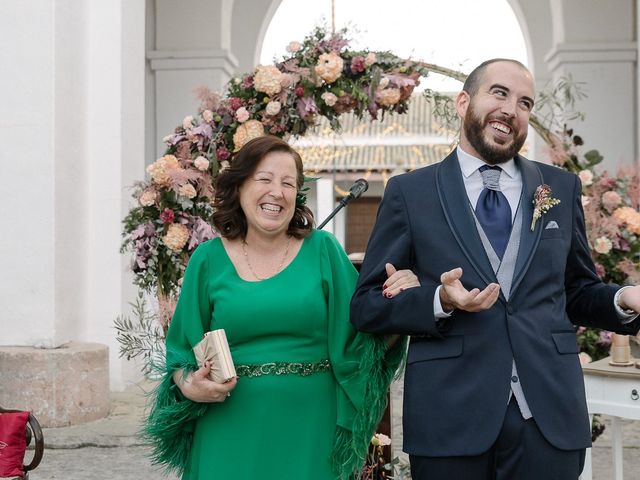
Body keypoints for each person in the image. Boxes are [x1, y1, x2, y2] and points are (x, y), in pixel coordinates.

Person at [350, 58, 640, 480]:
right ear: (463, 102)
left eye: (525, 103)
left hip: (548, 418)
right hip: (451, 416)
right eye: (499, 93)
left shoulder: (559, 187)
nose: (512, 109)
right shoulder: (410, 193)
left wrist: (623, 298)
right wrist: (439, 300)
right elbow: (367, 305)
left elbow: (576, 291)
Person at [143, 135, 406, 480]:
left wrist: (398, 307)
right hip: (226, 428)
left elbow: (363, 336)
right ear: (239, 187)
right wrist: (189, 383)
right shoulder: (207, 259)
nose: (277, 192)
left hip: (311, 426)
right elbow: (180, 349)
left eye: (288, 183)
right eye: (264, 179)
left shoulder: (324, 250)